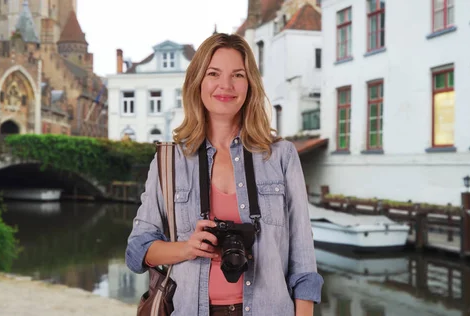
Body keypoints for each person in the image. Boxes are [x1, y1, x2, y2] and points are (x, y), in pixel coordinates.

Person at [125, 33, 323, 316]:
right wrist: (187, 248)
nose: (225, 85)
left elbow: (304, 264)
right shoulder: (169, 160)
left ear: (250, 84)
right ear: (198, 82)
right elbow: (136, 251)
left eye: (238, 75)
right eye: (214, 73)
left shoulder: (281, 156)